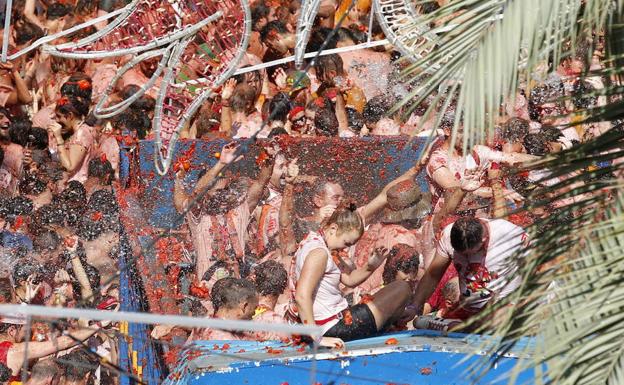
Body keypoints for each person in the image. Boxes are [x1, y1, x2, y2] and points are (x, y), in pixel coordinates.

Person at [291, 204, 411, 348]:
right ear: (334, 228)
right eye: (346, 243)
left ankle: (386, 328)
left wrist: (372, 265)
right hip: (332, 329)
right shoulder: (319, 253)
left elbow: (349, 279)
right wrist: (317, 338)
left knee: (395, 295)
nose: (345, 248)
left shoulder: (318, 242)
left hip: (335, 321)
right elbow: (302, 296)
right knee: (402, 288)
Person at [405, 217, 528, 325]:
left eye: (472, 253)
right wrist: (414, 306)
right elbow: (433, 274)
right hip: (467, 308)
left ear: (484, 239)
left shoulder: (510, 235)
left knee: (496, 322)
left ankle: (459, 328)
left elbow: (543, 267)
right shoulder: (448, 235)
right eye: (461, 254)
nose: (468, 258)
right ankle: (457, 326)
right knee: (418, 322)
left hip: (504, 308)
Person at [47, 96, 95, 184]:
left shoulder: (81, 134)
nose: (57, 120)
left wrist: (58, 138)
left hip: (77, 185)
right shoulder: (75, 131)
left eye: (59, 116)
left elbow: (70, 167)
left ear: (70, 116)